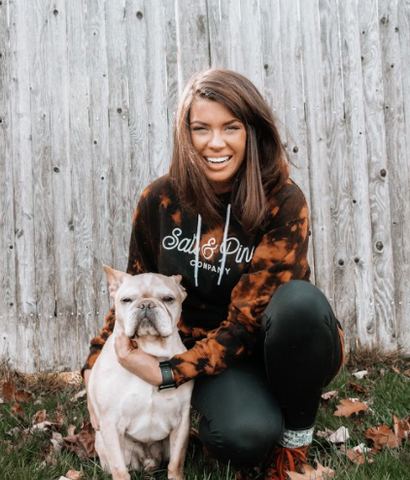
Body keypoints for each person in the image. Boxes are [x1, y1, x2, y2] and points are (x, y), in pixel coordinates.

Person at [82, 69, 344, 480]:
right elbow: (134, 285)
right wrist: (95, 362)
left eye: (231, 127)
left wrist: (169, 373)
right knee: (242, 437)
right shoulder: (159, 200)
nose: (215, 142)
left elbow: (247, 322)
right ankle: (253, 413)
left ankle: (295, 441)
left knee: (300, 304)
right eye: (201, 128)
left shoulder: (284, 201)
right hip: (208, 355)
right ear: (185, 134)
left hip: (278, 343)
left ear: (252, 131)